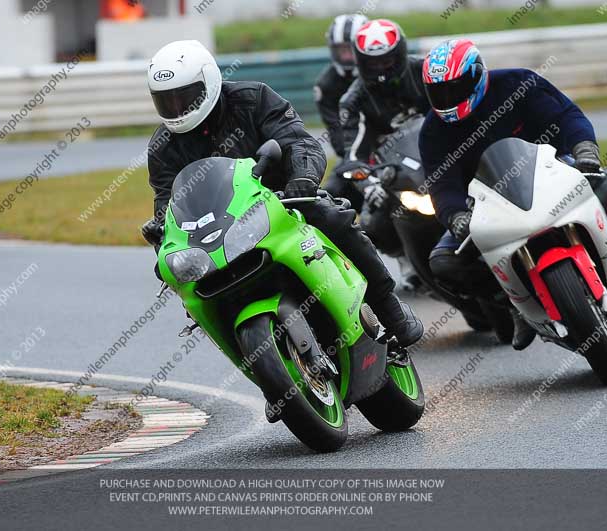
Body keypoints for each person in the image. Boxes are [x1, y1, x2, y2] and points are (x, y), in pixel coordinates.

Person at [140, 40, 423, 359]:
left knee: (332, 216)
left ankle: (388, 305)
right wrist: (163, 232)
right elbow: (168, 200)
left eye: (185, 97)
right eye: (167, 101)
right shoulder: (164, 146)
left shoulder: (252, 99)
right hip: (218, 234)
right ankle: (267, 377)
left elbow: (297, 140)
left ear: (209, 81)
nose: (177, 108)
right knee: (193, 293)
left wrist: (301, 178)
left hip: (283, 204)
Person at [418, 38, 607, 351]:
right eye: (439, 91)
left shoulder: (518, 83)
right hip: (485, 205)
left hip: (552, 171)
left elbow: (566, 116)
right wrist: (455, 215)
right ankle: (513, 303)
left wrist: (584, 148)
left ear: (478, 74)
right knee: (443, 262)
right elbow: (441, 184)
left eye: (456, 87)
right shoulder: (433, 130)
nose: (448, 98)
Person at [337, 19, 432, 291]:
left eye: (387, 60)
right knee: (371, 223)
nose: (380, 68)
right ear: (360, 61)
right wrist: (367, 185)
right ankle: (404, 256)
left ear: (399, 54)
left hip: (441, 153)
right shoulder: (352, 101)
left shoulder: (424, 70)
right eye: (373, 62)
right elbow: (351, 155)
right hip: (396, 172)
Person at [313, 13, 367, 210]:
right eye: (340, 50)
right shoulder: (325, 86)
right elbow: (338, 138)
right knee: (324, 199)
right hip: (354, 153)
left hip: (394, 147)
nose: (346, 56)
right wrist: (358, 160)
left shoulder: (382, 73)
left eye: (350, 49)